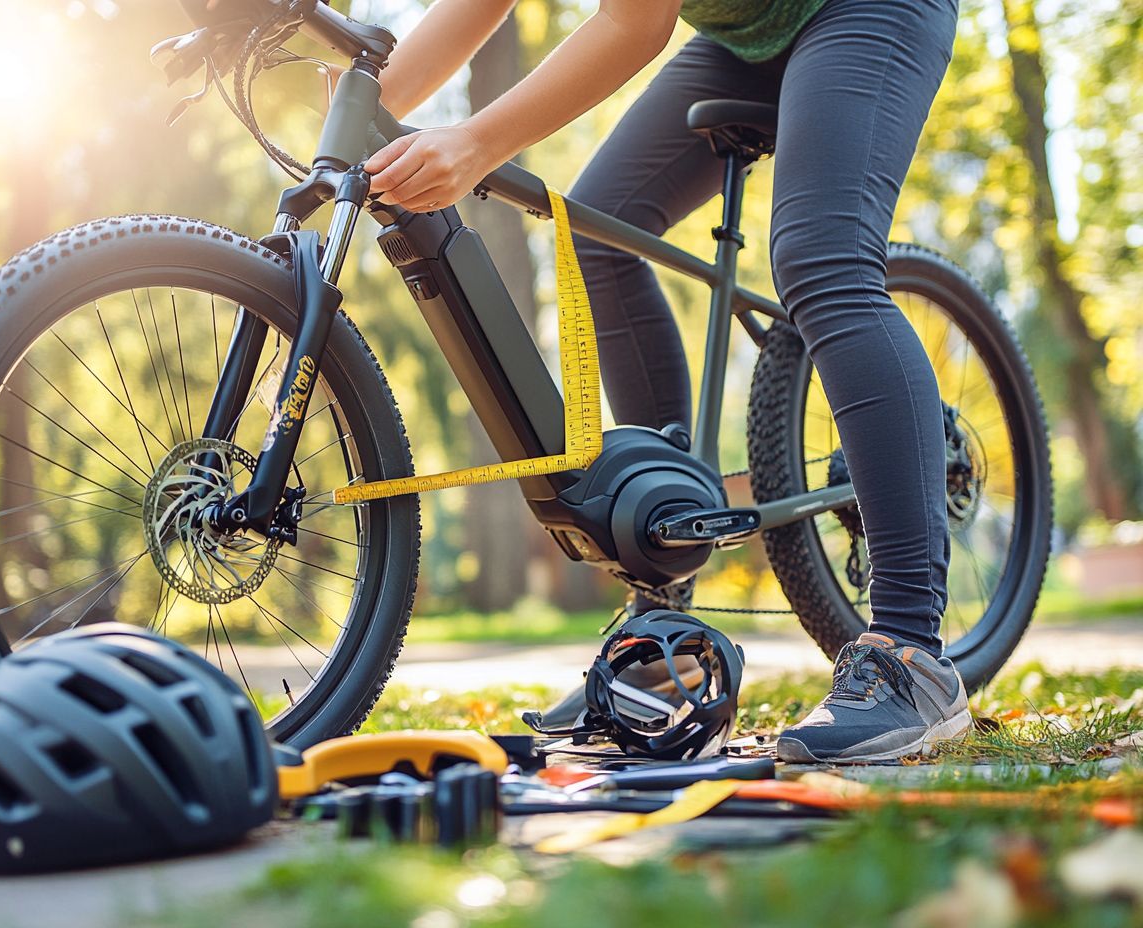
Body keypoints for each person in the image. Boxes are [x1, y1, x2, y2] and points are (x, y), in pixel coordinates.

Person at [365, 0, 971, 764]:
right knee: (598, 231)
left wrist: (476, 143)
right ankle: (666, 626)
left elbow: (635, 23)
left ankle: (913, 658)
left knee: (823, 258)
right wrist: (359, 105)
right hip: (746, 36)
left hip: (865, 10)